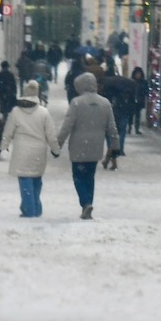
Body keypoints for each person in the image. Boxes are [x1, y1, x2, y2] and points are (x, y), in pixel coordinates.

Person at [57, 71, 118, 220]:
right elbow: (111, 127)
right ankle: (88, 202)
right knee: (90, 176)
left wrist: (57, 144)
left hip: (78, 146)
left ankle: (85, 203)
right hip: (96, 146)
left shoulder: (76, 103)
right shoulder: (105, 103)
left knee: (78, 176)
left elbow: (67, 126)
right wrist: (115, 144)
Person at [1, 80, 60, 218]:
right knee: (36, 179)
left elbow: (8, 131)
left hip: (21, 150)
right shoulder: (43, 112)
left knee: (24, 179)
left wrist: (4, 146)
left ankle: (29, 209)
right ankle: (36, 207)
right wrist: (55, 150)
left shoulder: (16, 112)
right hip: (38, 151)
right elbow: (51, 135)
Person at [100, 71, 136, 170]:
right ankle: (110, 160)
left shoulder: (111, 92)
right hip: (123, 115)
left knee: (111, 139)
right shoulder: (127, 92)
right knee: (117, 137)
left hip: (114, 116)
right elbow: (132, 105)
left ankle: (110, 161)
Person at [130, 66, 148, 135]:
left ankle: (136, 128)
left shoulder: (143, 82)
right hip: (132, 100)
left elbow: (146, 91)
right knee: (131, 114)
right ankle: (130, 127)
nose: (138, 75)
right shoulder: (131, 81)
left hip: (139, 100)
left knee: (138, 115)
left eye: (139, 74)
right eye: (137, 74)